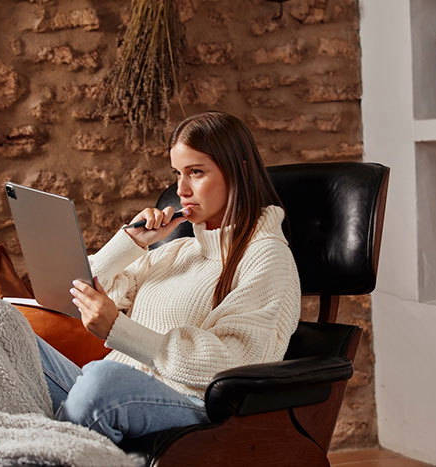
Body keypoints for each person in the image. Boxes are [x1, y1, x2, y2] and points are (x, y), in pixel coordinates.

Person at [37, 110, 301, 444]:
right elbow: (71, 292)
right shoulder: (178, 252)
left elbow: (235, 363)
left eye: (196, 173)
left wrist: (119, 330)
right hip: (111, 390)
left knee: (102, 382)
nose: (181, 189)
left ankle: (41, 443)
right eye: (177, 173)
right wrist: (130, 243)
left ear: (239, 172)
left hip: (194, 409)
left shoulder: (266, 257)